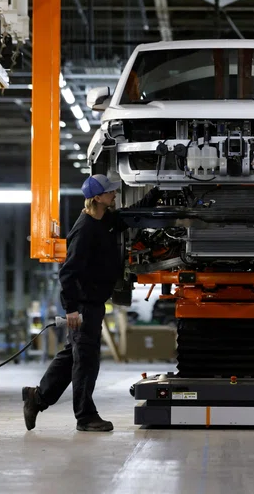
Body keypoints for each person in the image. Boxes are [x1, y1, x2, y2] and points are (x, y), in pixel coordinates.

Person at [22, 174, 159, 432]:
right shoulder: (85, 229)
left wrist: (157, 192)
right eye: (110, 192)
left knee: (70, 358)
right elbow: (68, 272)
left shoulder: (104, 219)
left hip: (93, 303)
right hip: (83, 306)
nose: (114, 195)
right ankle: (85, 416)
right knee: (85, 360)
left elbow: (127, 217)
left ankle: (36, 398)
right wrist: (71, 308)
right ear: (97, 197)